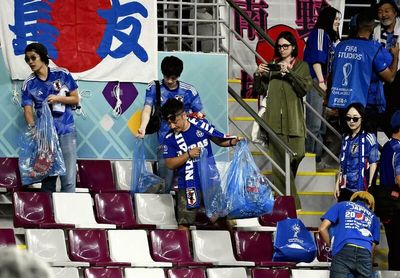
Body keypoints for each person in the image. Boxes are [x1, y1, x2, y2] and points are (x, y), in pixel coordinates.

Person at [253, 31, 313, 210]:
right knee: (279, 164)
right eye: (279, 46)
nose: (282, 49)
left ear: (293, 47)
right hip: (273, 123)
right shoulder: (272, 65)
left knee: (298, 154)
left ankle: (283, 198)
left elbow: (304, 89)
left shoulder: (301, 66)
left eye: (285, 46)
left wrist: (290, 73)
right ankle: (292, 207)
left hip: (294, 122)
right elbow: (259, 89)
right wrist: (258, 74)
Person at [161, 98, 240, 226]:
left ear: (184, 115)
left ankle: (225, 244)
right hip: (188, 185)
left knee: (223, 220)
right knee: (185, 223)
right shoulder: (170, 139)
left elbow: (219, 140)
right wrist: (188, 155)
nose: (172, 126)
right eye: (168, 123)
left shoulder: (201, 125)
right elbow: (169, 163)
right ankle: (184, 246)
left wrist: (233, 142)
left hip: (211, 182)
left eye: (174, 122)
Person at [137, 56, 204, 192]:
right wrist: (143, 127)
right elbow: (147, 109)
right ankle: (164, 210)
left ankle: (185, 210)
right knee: (165, 183)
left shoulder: (189, 91)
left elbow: (199, 115)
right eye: (166, 77)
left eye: (173, 78)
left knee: (190, 183)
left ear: (178, 76)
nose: (169, 81)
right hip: (165, 142)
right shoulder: (154, 87)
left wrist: (199, 118)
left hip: (188, 143)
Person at [21, 42, 79, 192]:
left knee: (68, 179)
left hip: (66, 131)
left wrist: (58, 99)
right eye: (27, 60)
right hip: (45, 137)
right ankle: (48, 214)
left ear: (43, 57)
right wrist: (34, 130)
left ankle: (68, 215)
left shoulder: (62, 74)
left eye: (33, 58)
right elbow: (27, 111)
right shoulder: (29, 84)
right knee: (48, 179)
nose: (30, 62)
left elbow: (75, 99)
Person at [328, 12, 399, 117]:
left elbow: (332, 74)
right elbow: (390, 78)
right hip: (366, 104)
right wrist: (395, 55)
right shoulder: (374, 48)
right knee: (367, 133)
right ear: (371, 28)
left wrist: (328, 96)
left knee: (346, 133)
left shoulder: (340, 46)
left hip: (343, 103)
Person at [304, 6, 341, 168]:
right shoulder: (319, 33)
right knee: (314, 123)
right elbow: (317, 59)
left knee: (321, 125)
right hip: (316, 82)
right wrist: (320, 81)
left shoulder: (328, 37)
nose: (338, 22)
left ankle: (316, 159)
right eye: (336, 18)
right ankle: (309, 160)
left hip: (323, 84)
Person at [319, 191, 380, 278]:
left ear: (352, 199)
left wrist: (332, 247)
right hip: (365, 253)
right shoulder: (374, 217)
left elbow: (322, 228)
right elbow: (373, 246)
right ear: (370, 204)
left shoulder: (342, 205)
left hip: (344, 249)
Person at [335, 103, 378, 202]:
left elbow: (373, 163)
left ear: (362, 118)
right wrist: (337, 183)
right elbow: (342, 163)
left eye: (355, 119)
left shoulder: (369, 137)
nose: (351, 121)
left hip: (361, 189)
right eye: (348, 118)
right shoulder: (345, 137)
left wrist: (370, 186)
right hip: (345, 187)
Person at [372, 0, 400, 137]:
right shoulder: (376, 31)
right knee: (383, 113)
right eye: (380, 12)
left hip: (399, 75)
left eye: (387, 11)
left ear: (395, 12)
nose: (383, 15)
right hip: (382, 76)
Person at [377, 110, 400, 270]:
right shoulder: (398, 149)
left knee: (395, 249)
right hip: (396, 205)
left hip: (387, 205)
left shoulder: (387, 147)